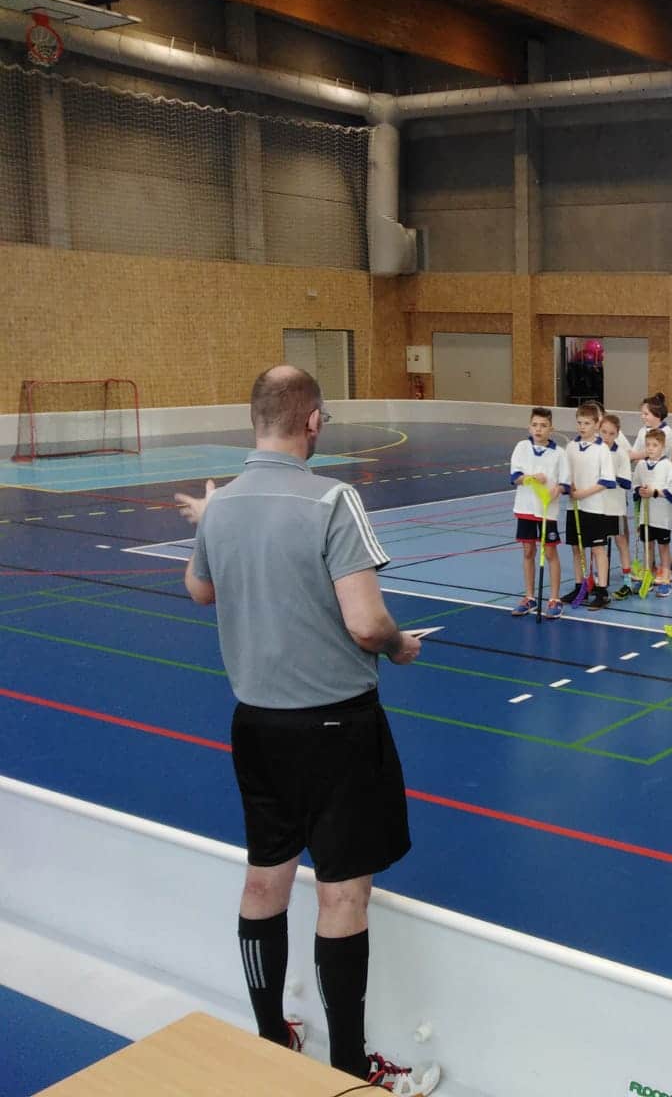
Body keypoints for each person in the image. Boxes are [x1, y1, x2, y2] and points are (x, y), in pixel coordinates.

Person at [176, 366, 439, 1095]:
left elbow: (199, 589)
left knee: (265, 879)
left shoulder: (223, 504)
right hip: (337, 728)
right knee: (342, 896)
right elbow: (366, 622)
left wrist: (218, 523)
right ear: (313, 421)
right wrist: (399, 646)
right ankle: (349, 1070)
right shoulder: (333, 499)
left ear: (255, 418)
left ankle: (272, 1041)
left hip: (256, 726)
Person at [509, 405, 570, 618]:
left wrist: (557, 490)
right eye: (535, 425)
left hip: (546, 510)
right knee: (528, 552)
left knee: (550, 553)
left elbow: (565, 483)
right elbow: (515, 477)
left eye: (543, 425)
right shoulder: (521, 447)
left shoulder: (559, 453)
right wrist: (533, 478)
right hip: (525, 508)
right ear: (529, 427)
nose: (538, 429)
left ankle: (554, 599)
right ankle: (529, 597)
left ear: (551, 429)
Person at [565, 402, 617, 609]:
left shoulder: (601, 449)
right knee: (576, 548)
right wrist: (568, 486)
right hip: (574, 507)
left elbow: (607, 481)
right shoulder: (570, 447)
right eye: (579, 423)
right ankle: (581, 587)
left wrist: (582, 493)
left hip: (594, 507)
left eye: (586, 423)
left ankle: (602, 591)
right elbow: (565, 474)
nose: (582, 427)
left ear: (596, 424)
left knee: (597, 549)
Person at [633, 427, 672, 597]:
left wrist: (655, 492)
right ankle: (648, 573)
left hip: (662, 516)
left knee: (663, 547)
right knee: (648, 545)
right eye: (648, 445)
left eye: (655, 445)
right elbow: (635, 484)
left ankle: (666, 576)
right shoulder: (641, 465)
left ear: (663, 447)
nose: (651, 448)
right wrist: (639, 490)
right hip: (647, 516)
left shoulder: (668, 467)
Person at [599, 413, 634, 599]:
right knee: (598, 544)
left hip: (616, 506)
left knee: (621, 542)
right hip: (597, 506)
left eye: (611, 433)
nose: (607, 436)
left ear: (617, 434)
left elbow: (627, 483)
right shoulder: (595, 451)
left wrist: (611, 477)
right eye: (604, 432)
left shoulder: (621, 454)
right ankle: (599, 580)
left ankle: (627, 581)